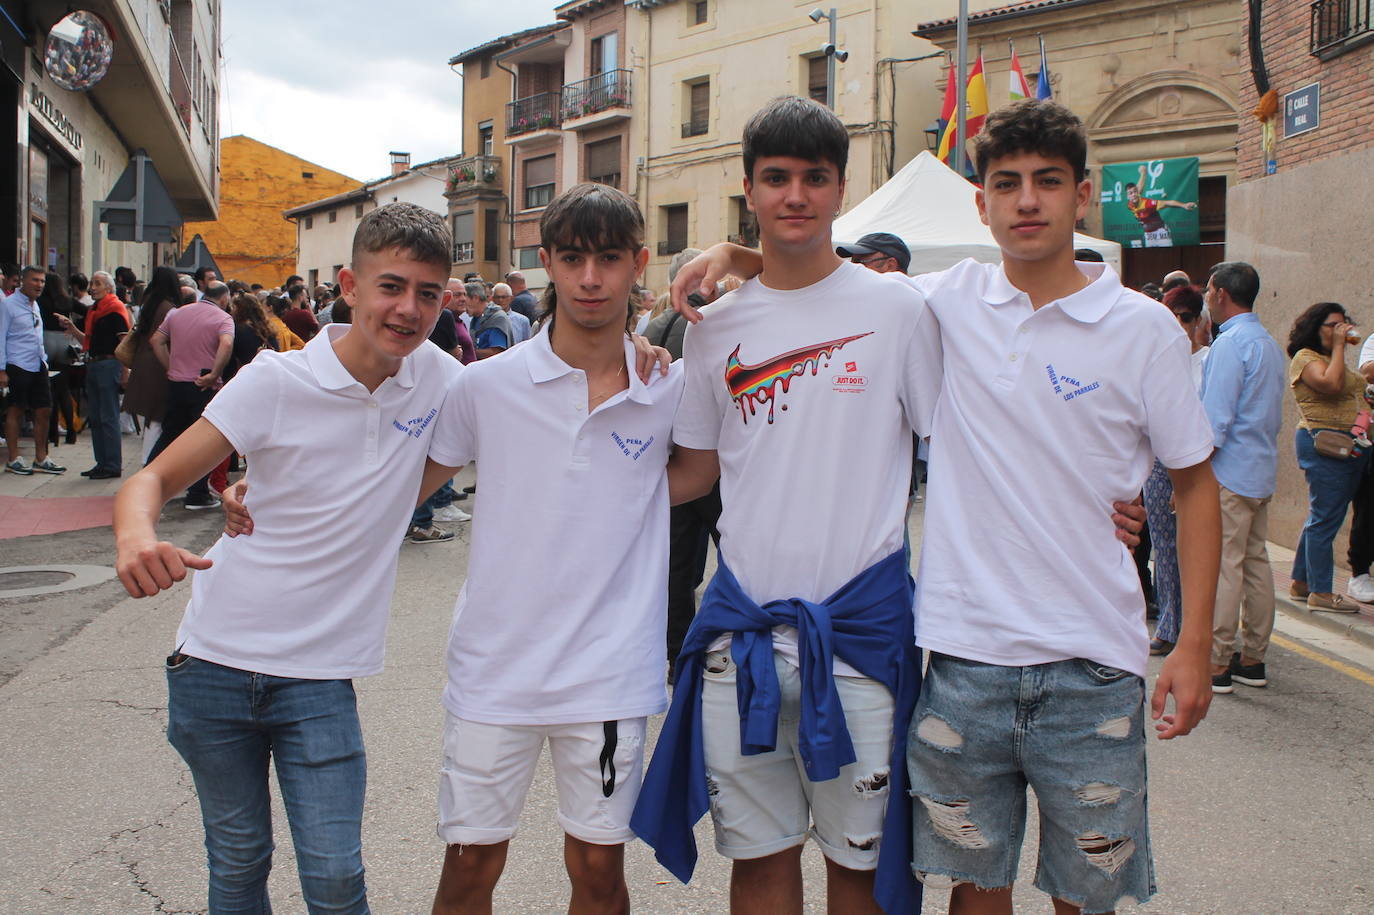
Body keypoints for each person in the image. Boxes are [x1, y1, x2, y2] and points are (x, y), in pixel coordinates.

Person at [660, 98, 1208, 915]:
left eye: (1048, 183)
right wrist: (733, 254)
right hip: (949, 651)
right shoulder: (927, 305)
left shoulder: (1112, 325)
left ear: (1082, 195)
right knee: (960, 881)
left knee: (1080, 887)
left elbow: (1192, 481)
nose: (1028, 201)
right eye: (1008, 184)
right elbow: (802, 280)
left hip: (1074, 654)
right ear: (980, 202)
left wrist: (1190, 636)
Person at [633, 96, 943, 915]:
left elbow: (962, 451)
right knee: (761, 865)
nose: (796, 194)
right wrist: (575, 495)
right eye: (777, 178)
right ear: (750, 189)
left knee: (859, 870)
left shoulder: (899, 310)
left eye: (815, 177)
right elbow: (693, 473)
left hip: (861, 642)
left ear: (843, 189)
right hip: (743, 642)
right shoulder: (712, 327)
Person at [113, 202, 469, 915]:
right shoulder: (276, 380)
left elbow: (543, 381)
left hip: (319, 675)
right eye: (392, 286)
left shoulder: (444, 382)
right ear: (351, 284)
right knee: (240, 860)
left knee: (337, 880)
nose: (408, 308)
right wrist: (136, 538)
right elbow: (149, 480)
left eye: (428, 293)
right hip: (214, 661)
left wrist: (641, 348)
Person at [427, 182, 681, 915]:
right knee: (470, 866)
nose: (591, 278)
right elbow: (401, 486)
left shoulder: (666, 387)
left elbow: (693, 474)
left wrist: (729, 254)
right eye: (573, 258)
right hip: (495, 670)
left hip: (607, 673)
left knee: (600, 873)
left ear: (638, 263)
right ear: (547, 263)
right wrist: (273, 495)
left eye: (608, 258)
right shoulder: (487, 386)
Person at [1199, 262, 1285, 692]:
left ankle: (1218, 661)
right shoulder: (1267, 343)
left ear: (1218, 293)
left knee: (1225, 565)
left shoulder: (1231, 344)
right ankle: (1254, 657)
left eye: (1209, 290)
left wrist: (1193, 474)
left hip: (1230, 471)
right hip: (1261, 469)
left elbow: (1215, 421)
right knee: (1255, 563)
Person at [1286, 302, 1369, 615]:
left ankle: (1300, 581)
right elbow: (1331, 385)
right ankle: (1321, 591)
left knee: (1323, 515)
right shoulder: (1305, 358)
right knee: (1325, 519)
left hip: (1347, 446)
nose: (1341, 330)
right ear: (1315, 327)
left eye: (1343, 324)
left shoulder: (1330, 358)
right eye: (1332, 325)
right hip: (1323, 444)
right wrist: (1338, 347)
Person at [1144, 284, 1210, 656]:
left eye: (1186, 317)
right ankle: (1169, 623)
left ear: (1198, 319)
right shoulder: (1155, 357)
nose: (1179, 324)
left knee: (1195, 544)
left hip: (1196, 464)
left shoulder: (1209, 359)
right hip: (1157, 462)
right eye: (1173, 316)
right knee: (1164, 545)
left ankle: (1197, 626)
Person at [146, 276, 235, 509]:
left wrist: (170, 367)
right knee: (203, 440)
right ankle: (197, 494)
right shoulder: (223, 318)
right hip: (203, 384)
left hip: (177, 382)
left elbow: (156, 340)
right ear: (224, 298)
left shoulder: (177, 313)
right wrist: (215, 373)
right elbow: (226, 344)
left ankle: (147, 482)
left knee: (169, 434)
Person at [57, 272, 129, 478]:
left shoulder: (115, 308)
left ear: (108, 288)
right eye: (92, 283)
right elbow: (87, 341)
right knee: (96, 417)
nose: (93, 287)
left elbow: (124, 342)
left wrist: (125, 371)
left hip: (108, 364)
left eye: (97, 283)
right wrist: (71, 328)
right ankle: (102, 462)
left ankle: (112, 465)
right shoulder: (94, 311)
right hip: (94, 364)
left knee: (108, 416)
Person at [1, 266, 66, 474]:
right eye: (35, 280)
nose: (39, 285)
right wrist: (1, 370)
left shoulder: (35, 305)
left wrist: (44, 361)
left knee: (44, 409)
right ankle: (13, 459)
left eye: (42, 281)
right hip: (16, 363)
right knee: (16, 409)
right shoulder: (7, 305)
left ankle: (41, 457)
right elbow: (0, 337)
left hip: (38, 363)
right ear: (23, 281)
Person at [122, 268, 182, 465]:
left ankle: (147, 462)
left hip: (143, 363)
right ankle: (150, 464)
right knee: (157, 418)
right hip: (159, 364)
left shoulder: (149, 303)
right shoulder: (169, 309)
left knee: (151, 419)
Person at [1348, 335, 1374, 603]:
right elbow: (1367, 371)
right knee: (1368, 505)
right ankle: (1359, 573)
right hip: (1371, 435)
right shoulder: (1373, 341)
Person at [1125, 165, 1197, 247]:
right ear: (1128, 197)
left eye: (1135, 192)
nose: (1133, 194)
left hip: (1161, 233)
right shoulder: (1130, 205)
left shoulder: (1148, 204)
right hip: (1149, 236)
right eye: (1130, 193)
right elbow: (1138, 189)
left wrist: (1183, 205)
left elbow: (1167, 203)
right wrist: (1143, 173)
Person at [464, 283, 511, 359]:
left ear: (475, 298)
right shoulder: (475, 319)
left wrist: (467, 352)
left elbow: (497, 352)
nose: (463, 306)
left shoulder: (497, 318)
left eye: (464, 301)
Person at [836, 231, 911, 274]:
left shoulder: (914, 299)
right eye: (852, 263)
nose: (853, 267)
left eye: (860, 262)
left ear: (890, 265)